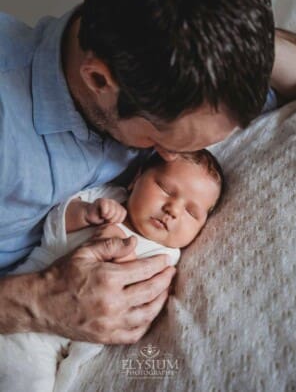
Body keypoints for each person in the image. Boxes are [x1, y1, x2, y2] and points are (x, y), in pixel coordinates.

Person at [0, 0, 296, 344]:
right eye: (159, 140)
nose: (174, 158)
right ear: (100, 80)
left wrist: (235, 38)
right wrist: (33, 302)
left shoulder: (188, 92)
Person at [0, 150, 223, 392]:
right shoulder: (109, 199)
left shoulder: (165, 256)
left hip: (45, 345)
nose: (173, 209)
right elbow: (55, 223)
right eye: (165, 189)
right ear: (135, 179)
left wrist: (123, 255)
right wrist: (86, 214)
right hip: (20, 288)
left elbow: (130, 301)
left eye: (192, 212)